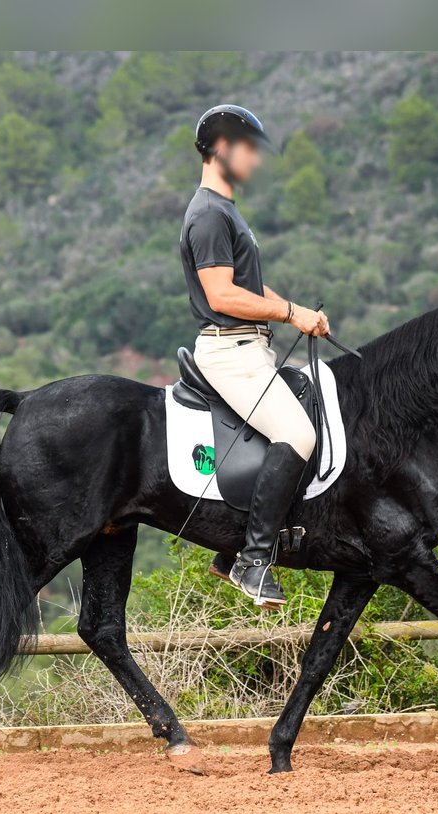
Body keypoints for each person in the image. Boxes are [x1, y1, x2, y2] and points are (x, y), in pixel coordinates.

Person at [179, 104, 330, 609]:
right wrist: (290, 313)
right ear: (220, 148)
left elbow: (246, 284)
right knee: (298, 433)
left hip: (251, 346)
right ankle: (252, 561)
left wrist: (299, 311)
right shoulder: (206, 215)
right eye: (247, 148)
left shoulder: (226, 211)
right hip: (230, 351)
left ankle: (232, 546)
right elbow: (222, 295)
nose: (254, 160)